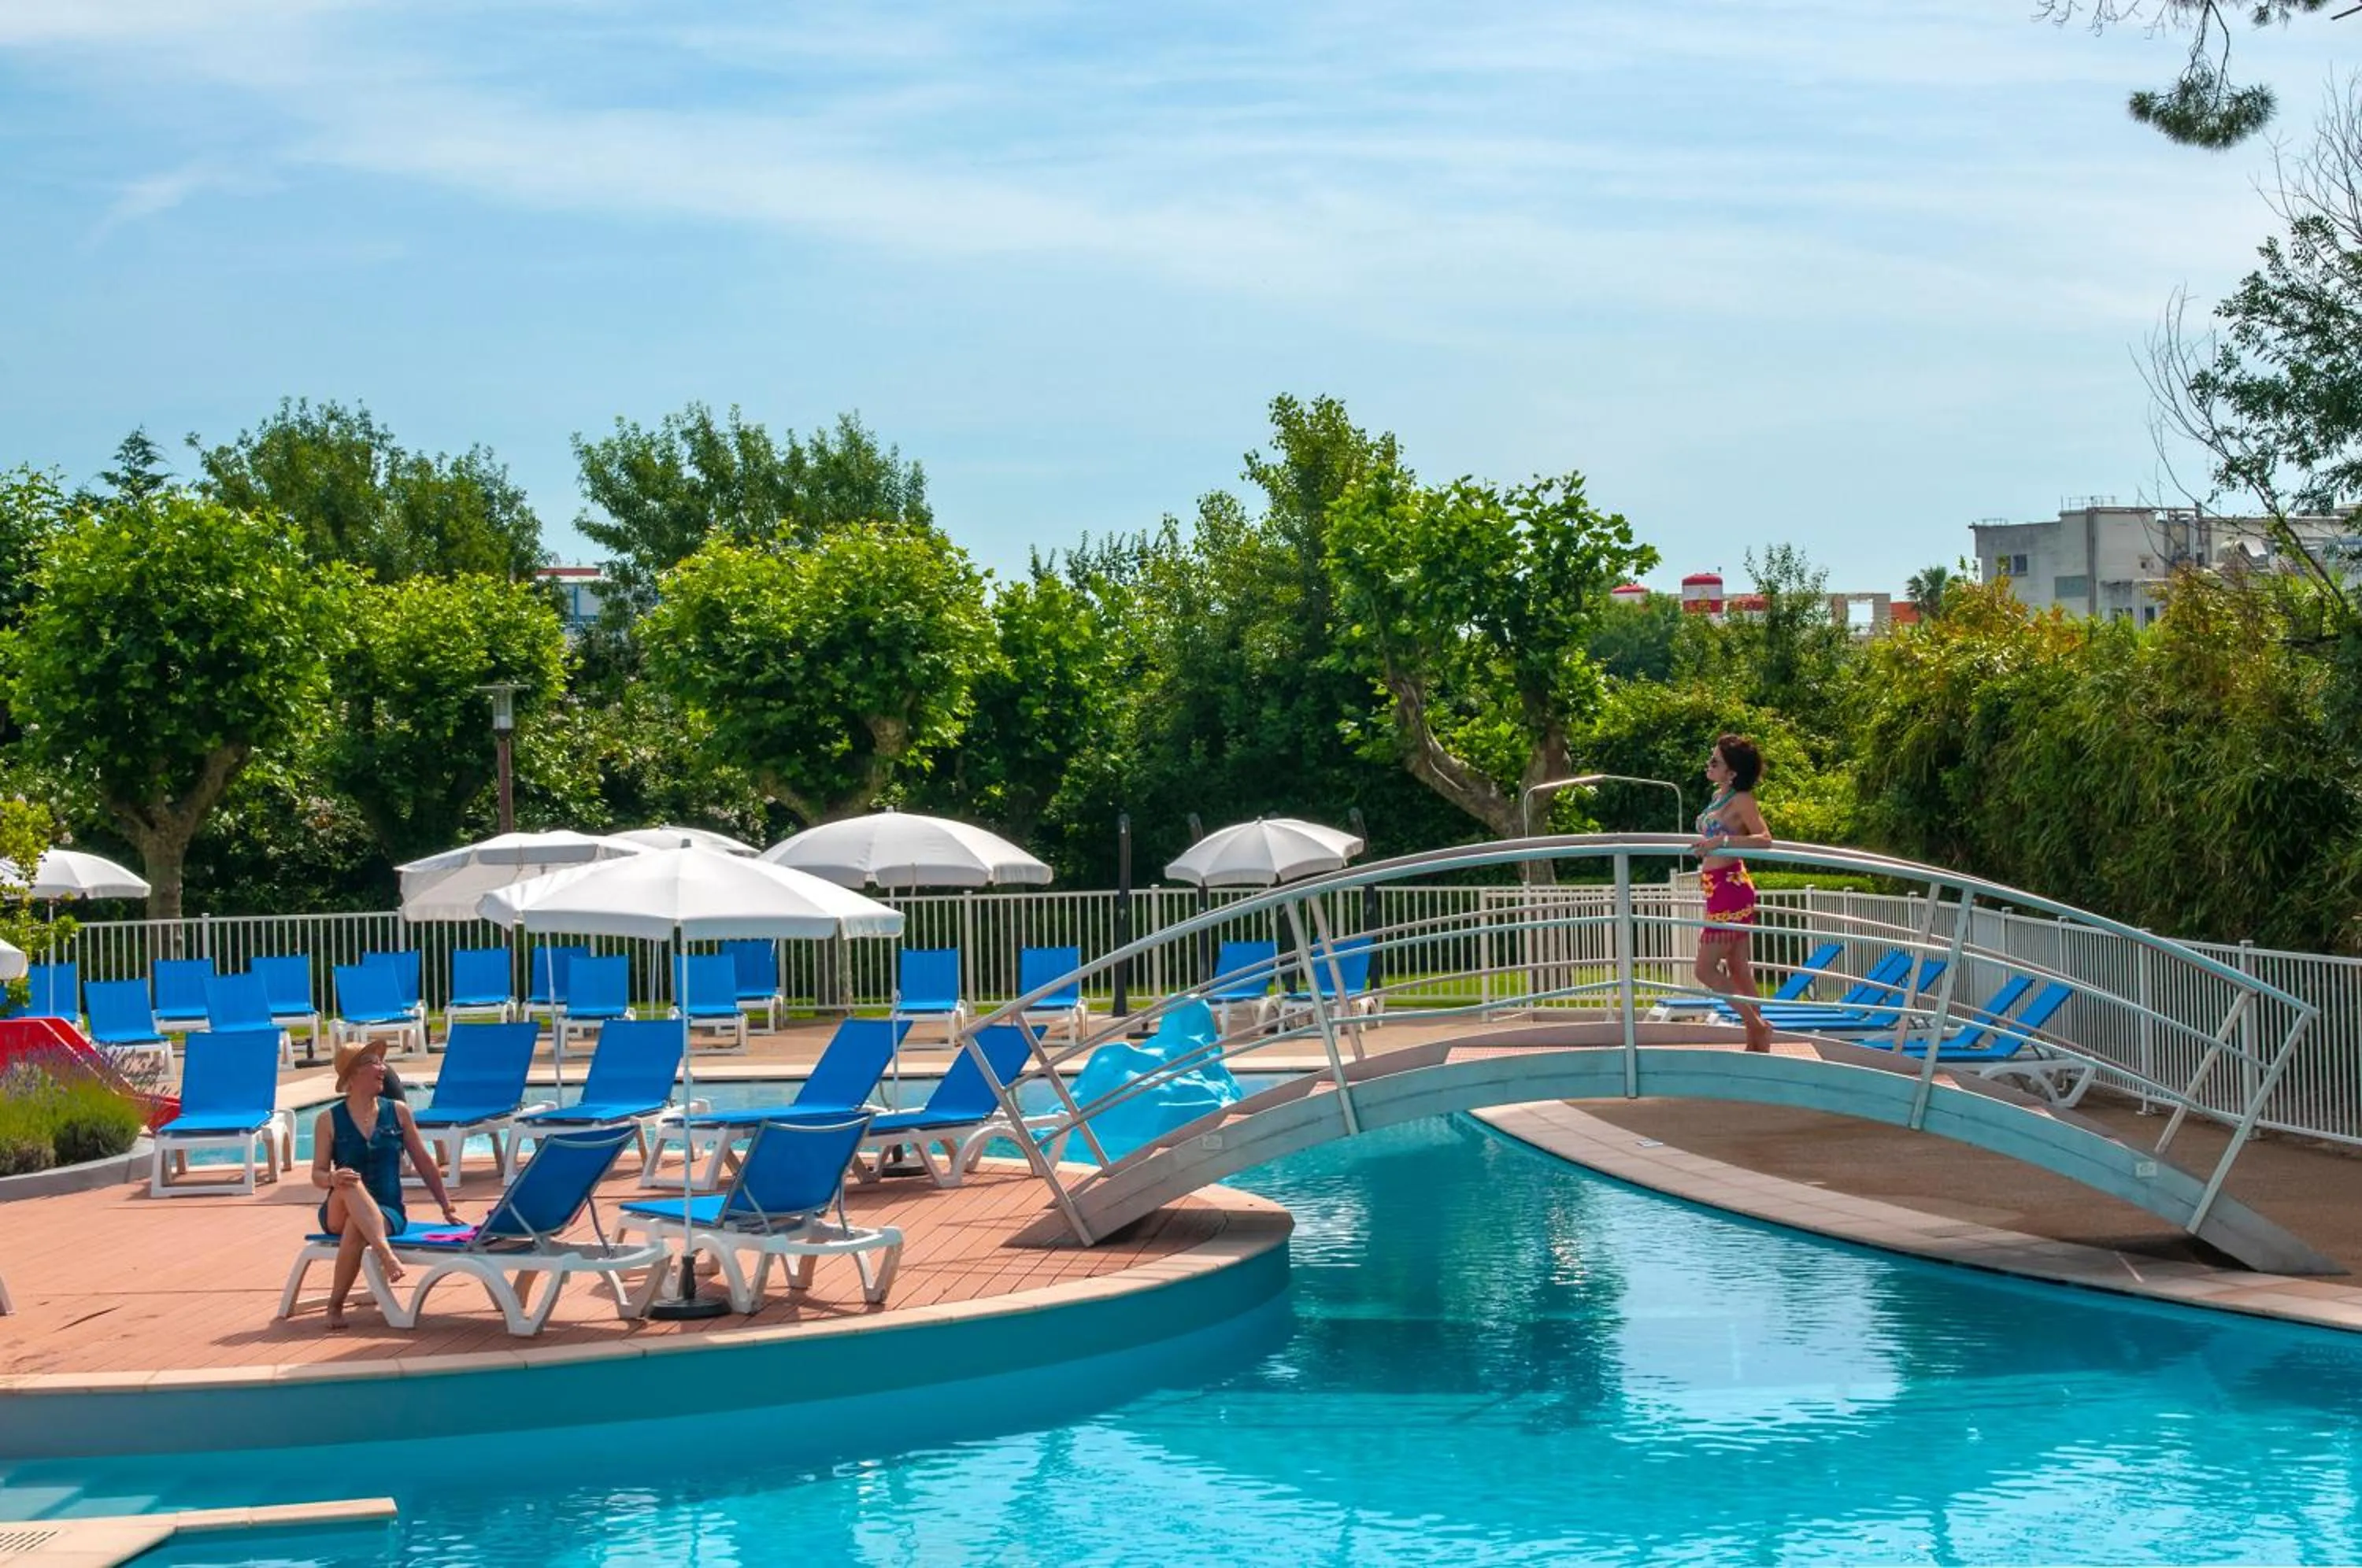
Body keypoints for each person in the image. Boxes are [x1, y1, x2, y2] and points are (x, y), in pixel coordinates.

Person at [310, 1039, 460, 1330]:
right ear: (353, 1075)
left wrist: (447, 1207)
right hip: (337, 1209)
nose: (383, 1068)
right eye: (374, 1063)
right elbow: (317, 1174)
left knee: (359, 1223)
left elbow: (425, 1163)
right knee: (349, 1181)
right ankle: (386, 1255)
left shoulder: (398, 1112)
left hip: (387, 1211)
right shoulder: (328, 1120)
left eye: (382, 1062)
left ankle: (335, 1305)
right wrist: (331, 1178)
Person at [1691, 733, 1775, 1052]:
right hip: (1719, 887)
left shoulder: (1742, 799)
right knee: (1738, 967)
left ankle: (1758, 1027)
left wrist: (1721, 842)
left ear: (1733, 772)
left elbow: (1764, 839)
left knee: (1704, 969)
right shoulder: (1718, 796)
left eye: (1716, 761)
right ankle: (1756, 1041)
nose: (1709, 764)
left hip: (1730, 887)